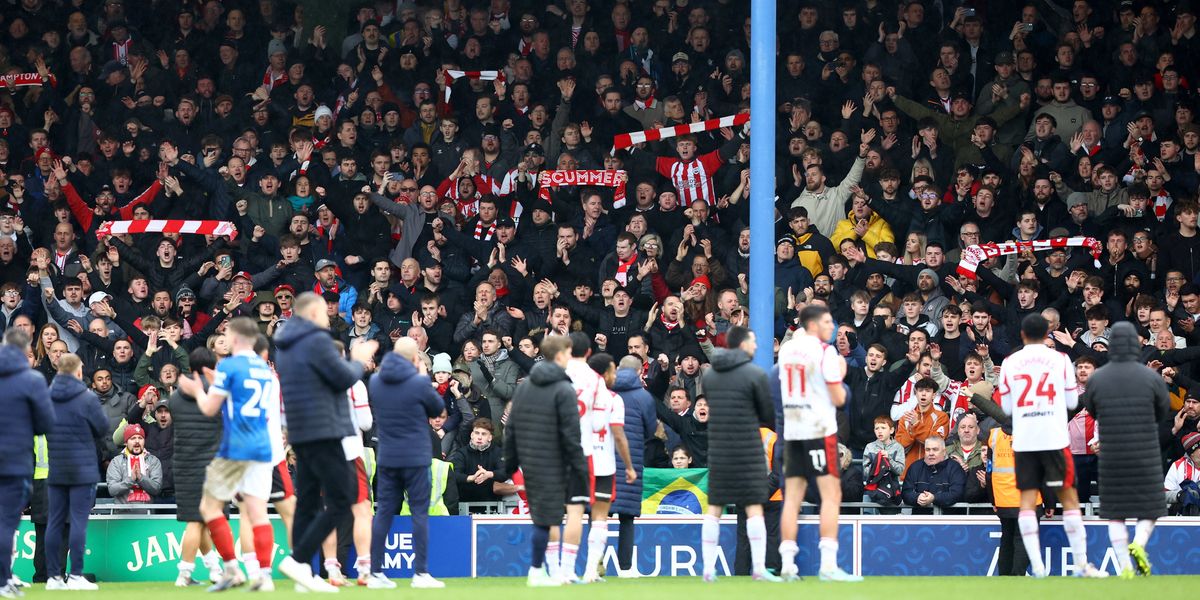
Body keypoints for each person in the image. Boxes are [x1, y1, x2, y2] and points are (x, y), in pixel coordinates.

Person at [270, 293, 377, 592]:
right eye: (325, 313)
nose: (329, 318)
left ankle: (304, 572)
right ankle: (298, 560)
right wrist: (357, 359)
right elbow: (342, 378)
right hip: (325, 430)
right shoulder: (316, 341)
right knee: (342, 499)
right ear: (314, 313)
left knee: (307, 504)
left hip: (301, 432)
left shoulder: (285, 347)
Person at [175, 317, 285, 592]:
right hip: (263, 447)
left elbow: (209, 408)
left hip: (236, 447)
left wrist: (197, 390)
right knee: (258, 512)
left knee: (208, 508)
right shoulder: (266, 370)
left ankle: (231, 569)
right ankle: (264, 576)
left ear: (235, 338)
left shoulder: (229, 366)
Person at [998, 314, 1105, 578]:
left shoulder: (1010, 362)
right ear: (1047, 333)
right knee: (1069, 500)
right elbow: (1072, 402)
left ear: (1022, 335)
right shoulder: (1061, 359)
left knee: (1026, 502)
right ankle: (1082, 564)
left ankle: (1037, 567)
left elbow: (1006, 408)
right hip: (1054, 438)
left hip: (1025, 440)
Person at [775, 306, 861, 582]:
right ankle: (828, 565)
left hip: (792, 431)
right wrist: (842, 376)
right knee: (830, 495)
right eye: (826, 321)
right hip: (818, 431)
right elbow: (838, 398)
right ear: (812, 325)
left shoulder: (787, 350)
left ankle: (788, 564)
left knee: (792, 498)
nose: (831, 326)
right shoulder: (826, 352)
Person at [1080, 322, 1171, 578]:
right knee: (1151, 507)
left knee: (1115, 513)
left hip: (1111, 454)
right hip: (1144, 452)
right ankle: (1139, 543)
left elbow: (1092, 410)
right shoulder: (1150, 377)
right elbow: (1162, 411)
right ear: (1134, 344)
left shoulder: (1097, 378)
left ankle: (1125, 568)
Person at [503, 335, 588, 588]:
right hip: (556, 461)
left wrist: (510, 464)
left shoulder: (525, 387)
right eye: (568, 353)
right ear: (560, 356)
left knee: (544, 516)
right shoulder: (564, 389)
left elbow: (511, 428)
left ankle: (545, 571)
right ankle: (537, 571)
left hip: (530, 460)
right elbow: (571, 435)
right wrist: (580, 467)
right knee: (547, 518)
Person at [365, 337, 445, 589]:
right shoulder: (418, 382)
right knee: (419, 513)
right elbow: (437, 408)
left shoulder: (376, 381)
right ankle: (420, 573)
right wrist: (422, 377)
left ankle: (375, 572)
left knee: (384, 513)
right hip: (416, 458)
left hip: (387, 457)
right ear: (414, 358)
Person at [700, 325, 779, 582]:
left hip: (719, 449)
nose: (756, 346)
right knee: (754, 507)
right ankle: (759, 569)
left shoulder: (710, 376)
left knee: (714, 508)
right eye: (753, 341)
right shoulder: (755, 374)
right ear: (743, 344)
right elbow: (767, 414)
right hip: (748, 450)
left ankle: (708, 569)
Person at [43, 353, 106, 591]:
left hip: (56, 468)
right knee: (78, 522)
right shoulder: (87, 398)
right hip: (82, 469)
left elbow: (39, 426)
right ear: (79, 371)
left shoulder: (46, 397)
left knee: (54, 523)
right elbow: (103, 428)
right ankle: (76, 575)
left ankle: (53, 577)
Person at [0, 330, 53, 598]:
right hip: (15, 462)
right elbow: (45, 424)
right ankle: (3, 579)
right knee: (6, 522)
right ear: (25, 352)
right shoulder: (32, 380)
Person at [169, 348, 225, 587]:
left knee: (198, 519)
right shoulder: (218, 392)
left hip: (183, 464)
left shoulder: (174, 397)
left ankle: (215, 569)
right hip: (213, 464)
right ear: (212, 366)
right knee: (198, 521)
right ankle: (184, 573)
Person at [579, 353, 637, 583]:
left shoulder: (576, 394)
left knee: (575, 514)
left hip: (579, 463)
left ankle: (565, 569)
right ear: (604, 374)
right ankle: (590, 570)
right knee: (600, 518)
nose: (615, 375)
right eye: (613, 370)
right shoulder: (613, 399)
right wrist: (629, 466)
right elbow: (619, 435)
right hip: (603, 464)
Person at [609, 356, 657, 578]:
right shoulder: (643, 397)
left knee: (597, 516)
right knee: (626, 517)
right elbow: (650, 430)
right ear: (640, 372)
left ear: (618, 369)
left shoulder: (605, 392)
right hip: (631, 461)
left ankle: (594, 565)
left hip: (603, 460)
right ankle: (626, 568)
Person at [105, 423, 164, 503]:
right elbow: (112, 490)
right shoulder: (116, 462)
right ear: (126, 442)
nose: (137, 441)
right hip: (123, 510)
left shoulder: (153, 461)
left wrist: (141, 478)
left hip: (147, 510)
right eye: (133, 438)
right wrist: (130, 480)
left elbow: (157, 489)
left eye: (140, 438)